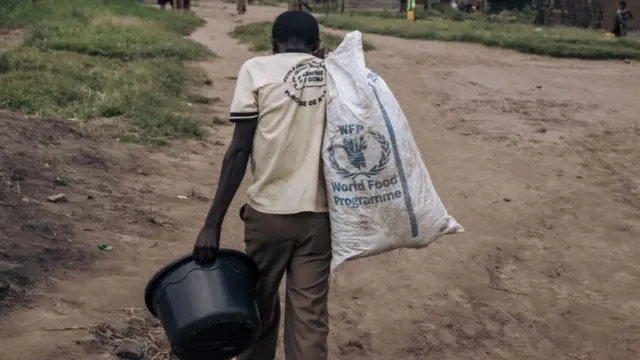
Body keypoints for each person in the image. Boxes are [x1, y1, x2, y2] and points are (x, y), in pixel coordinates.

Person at [192, 11, 330, 360]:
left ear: (273, 43)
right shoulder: (334, 75)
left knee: (258, 309)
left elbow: (239, 150)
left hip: (268, 215)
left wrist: (212, 224)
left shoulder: (256, 69)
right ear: (317, 46)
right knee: (309, 318)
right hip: (320, 218)